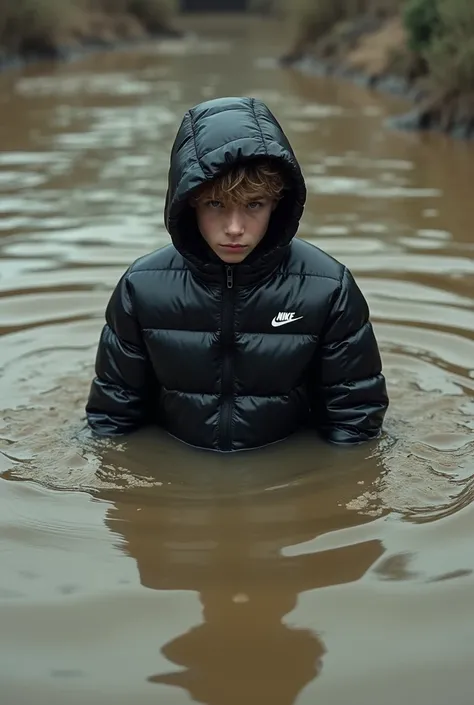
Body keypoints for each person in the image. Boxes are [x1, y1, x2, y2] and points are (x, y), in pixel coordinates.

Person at [86, 96, 388, 452]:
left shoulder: (329, 289)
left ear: (277, 203)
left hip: (283, 472)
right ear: (190, 202)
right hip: (184, 475)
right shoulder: (141, 287)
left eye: (254, 205)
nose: (234, 228)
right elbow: (112, 420)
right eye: (216, 204)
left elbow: (355, 420)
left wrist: (319, 497)